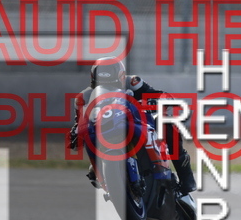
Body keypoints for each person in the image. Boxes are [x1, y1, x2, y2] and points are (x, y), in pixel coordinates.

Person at [68, 57, 197, 195]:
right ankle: (106, 175)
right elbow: (79, 123)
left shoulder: (133, 83)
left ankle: (186, 178)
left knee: (166, 123)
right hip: (105, 132)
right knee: (92, 170)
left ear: (121, 77)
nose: (107, 88)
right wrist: (76, 133)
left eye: (111, 84)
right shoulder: (83, 98)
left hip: (136, 121)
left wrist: (155, 101)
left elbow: (161, 95)